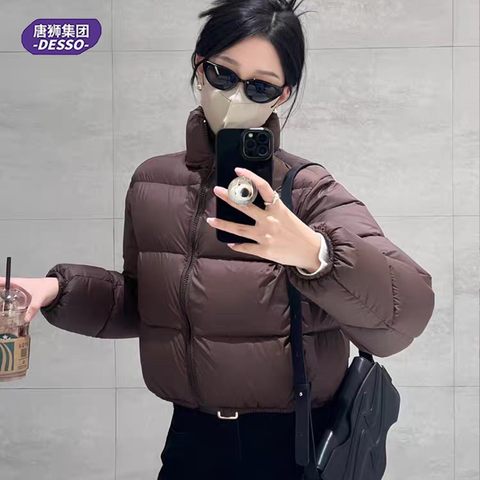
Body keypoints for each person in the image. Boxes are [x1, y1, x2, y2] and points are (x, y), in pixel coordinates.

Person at [1, 1, 435, 479]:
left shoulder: (308, 190)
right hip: (191, 439)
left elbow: (407, 310)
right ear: (199, 66)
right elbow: (145, 304)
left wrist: (314, 252)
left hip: (293, 444)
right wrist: (56, 289)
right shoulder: (152, 182)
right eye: (223, 75)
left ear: (283, 95)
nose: (235, 97)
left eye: (259, 86)